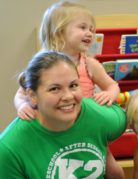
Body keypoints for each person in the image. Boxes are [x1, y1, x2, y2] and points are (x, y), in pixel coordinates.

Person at [13, 2, 123, 178]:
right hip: (54, 132)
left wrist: (109, 95)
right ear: (59, 31)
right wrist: (21, 106)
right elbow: (21, 94)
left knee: (114, 171)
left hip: (88, 129)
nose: (90, 33)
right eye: (83, 27)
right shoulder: (42, 65)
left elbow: (113, 85)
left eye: (92, 29)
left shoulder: (89, 64)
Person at [0, 51, 126, 178]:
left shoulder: (101, 116)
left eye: (73, 85)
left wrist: (105, 150)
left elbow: (131, 119)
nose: (68, 96)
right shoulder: (10, 148)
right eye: (54, 89)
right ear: (32, 96)